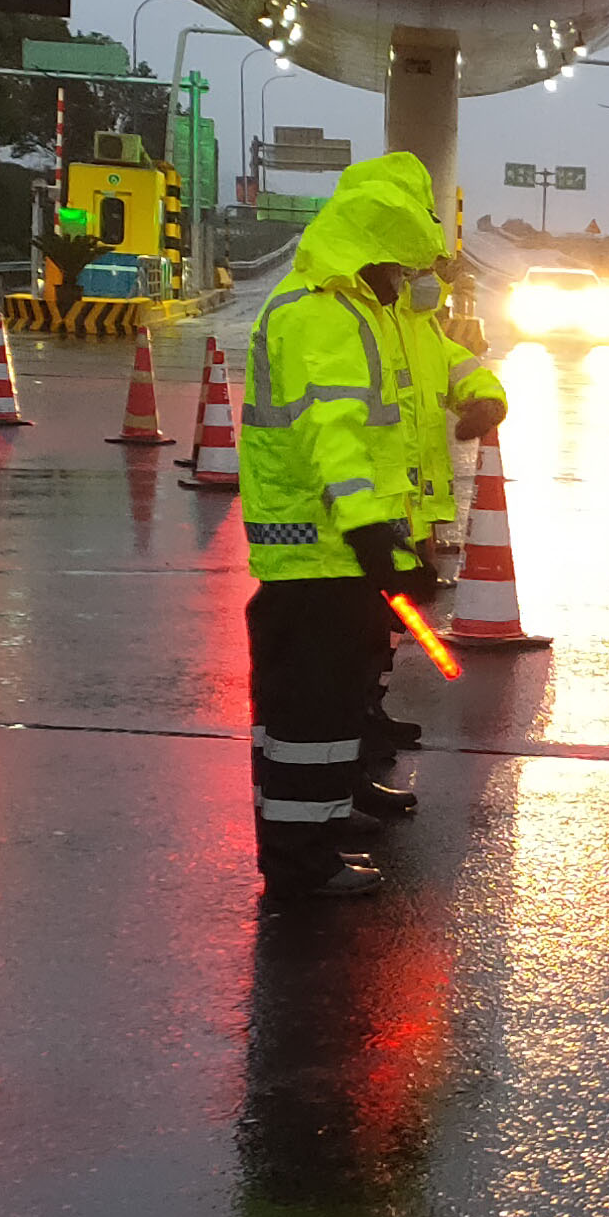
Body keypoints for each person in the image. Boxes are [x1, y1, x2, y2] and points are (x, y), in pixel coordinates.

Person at [239, 151, 451, 899]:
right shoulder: (323, 315)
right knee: (310, 721)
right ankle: (301, 865)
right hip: (321, 557)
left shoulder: (339, 309)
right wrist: (371, 536)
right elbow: (335, 435)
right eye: (399, 265)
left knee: (311, 720)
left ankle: (308, 843)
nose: (405, 279)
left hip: (325, 558)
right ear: (370, 255)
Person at [364, 254, 506, 775]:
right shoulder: (366, 321)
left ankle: (370, 711)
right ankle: (356, 723)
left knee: (389, 625)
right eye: (418, 269)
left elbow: (459, 368)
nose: (430, 281)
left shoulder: (420, 329)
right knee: (364, 623)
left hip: (408, 506)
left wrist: (486, 399)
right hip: (370, 504)